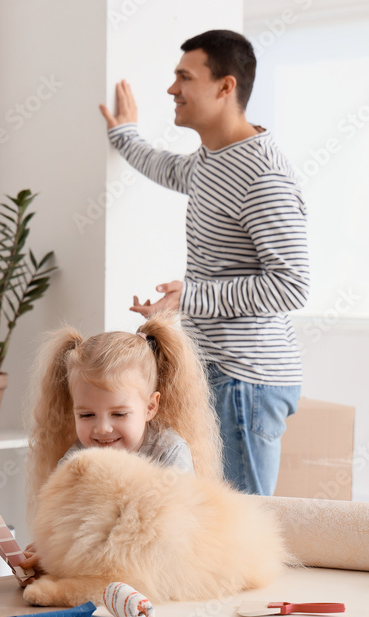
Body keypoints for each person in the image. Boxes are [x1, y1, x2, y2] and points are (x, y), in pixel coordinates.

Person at [99, 30, 310, 496]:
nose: (172, 89)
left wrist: (192, 295)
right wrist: (124, 135)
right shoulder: (214, 159)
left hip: (246, 379)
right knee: (209, 515)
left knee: (242, 521)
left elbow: (292, 285)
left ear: (225, 87)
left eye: (184, 77)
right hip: (217, 368)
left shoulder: (263, 176)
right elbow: (169, 169)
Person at [20, 311, 222, 578]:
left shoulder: (169, 452)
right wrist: (48, 550)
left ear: (150, 407)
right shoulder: (76, 461)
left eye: (119, 414)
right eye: (87, 415)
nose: (102, 428)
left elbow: (176, 534)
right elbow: (66, 524)